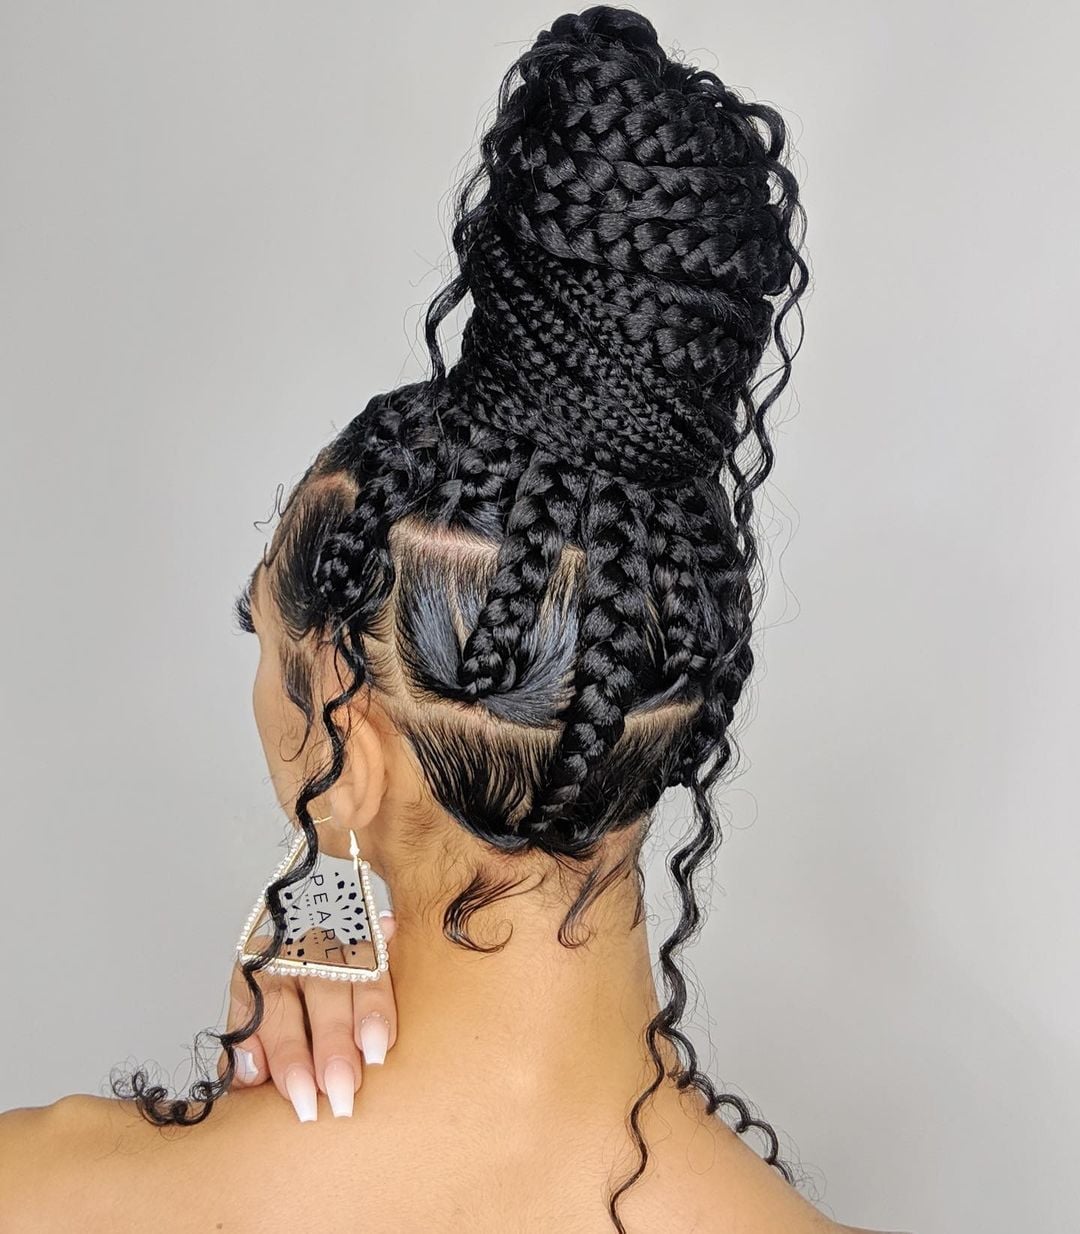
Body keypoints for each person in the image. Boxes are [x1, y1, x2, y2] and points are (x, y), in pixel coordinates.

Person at [0, 7, 901, 1232]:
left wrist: (329, 885)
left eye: (259, 634)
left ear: (346, 738)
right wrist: (332, 886)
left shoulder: (44, 1190)